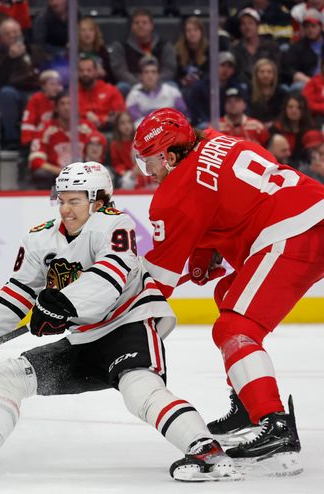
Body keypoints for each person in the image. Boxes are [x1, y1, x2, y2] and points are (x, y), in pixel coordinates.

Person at [0, 162, 239, 482]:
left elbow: (109, 277)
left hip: (127, 327)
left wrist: (62, 305)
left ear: (99, 201)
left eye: (75, 200)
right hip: (81, 341)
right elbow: (19, 291)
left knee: (139, 388)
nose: (65, 208)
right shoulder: (40, 238)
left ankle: (207, 451)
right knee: (6, 376)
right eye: (61, 199)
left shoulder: (116, 225)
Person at [133, 107, 324, 475]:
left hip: (292, 233)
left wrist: (110, 309)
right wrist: (206, 251)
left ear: (171, 157)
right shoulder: (214, 138)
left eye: (151, 163)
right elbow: (219, 195)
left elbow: (157, 285)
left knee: (234, 328)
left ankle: (275, 423)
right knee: (228, 291)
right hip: (310, 208)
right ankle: (247, 405)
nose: (149, 172)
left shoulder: (174, 194)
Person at [0, 17, 44, 149]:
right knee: (7, 94)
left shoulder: (33, 50)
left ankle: (44, 136)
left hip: (35, 87)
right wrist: (10, 58)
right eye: (8, 33)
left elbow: (45, 68)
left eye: (15, 32)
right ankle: (11, 138)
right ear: (1, 37)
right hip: (13, 89)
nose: (13, 36)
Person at [28, 91, 98, 187]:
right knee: (41, 174)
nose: (66, 107)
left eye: (70, 103)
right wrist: (63, 173)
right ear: (56, 108)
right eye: (62, 104)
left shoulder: (87, 128)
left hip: (84, 177)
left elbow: (98, 157)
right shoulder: (45, 128)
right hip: (56, 177)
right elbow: (36, 160)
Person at [109, 9, 176, 95]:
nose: (140, 25)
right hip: (132, 83)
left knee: (172, 86)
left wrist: (153, 82)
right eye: (136, 23)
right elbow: (120, 71)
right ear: (132, 26)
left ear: (151, 25)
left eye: (144, 23)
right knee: (121, 87)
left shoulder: (165, 45)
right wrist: (139, 84)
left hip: (159, 82)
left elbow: (169, 69)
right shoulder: (120, 46)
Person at [125, 57, 187, 126]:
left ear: (158, 75)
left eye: (153, 72)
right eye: (146, 72)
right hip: (147, 132)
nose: (150, 75)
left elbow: (183, 114)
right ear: (140, 76)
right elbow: (136, 120)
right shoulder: (133, 96)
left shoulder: (172, 92)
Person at [230, 8, 280, 87]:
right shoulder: (235, 48)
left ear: (257, 26)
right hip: (244, 86)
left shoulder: (271, 46)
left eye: (250, 23)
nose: (247, 27)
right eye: (243, 24)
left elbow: (276, 69)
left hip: (268, 84)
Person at [77, 55, 125, 131]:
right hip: (81, 131)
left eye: (89, 70)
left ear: (96, 72)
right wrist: (86, 115)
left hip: (108, 130)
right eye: (81, 70)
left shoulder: (111, 90)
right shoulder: (73, 93)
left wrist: (99, 119)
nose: (85, 73)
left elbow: (119, 114)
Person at [280, 8, 324, 91]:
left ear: (321, 26)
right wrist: (297, 75)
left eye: (313, 26)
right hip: (307, 82)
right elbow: (288, 68)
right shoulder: (297, 47)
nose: (310, 30)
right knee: (297, 87)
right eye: (306, 27)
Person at [269, 94, 317, 166]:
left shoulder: (310, 130)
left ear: (304, 110)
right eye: (290, 107)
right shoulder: (276, 129)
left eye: (299, 108)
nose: (294, 110)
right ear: (285, 109)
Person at [19, 69, 62, 147]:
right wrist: (29, 141)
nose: (56, 87)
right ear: (43, 86)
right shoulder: (36, 99)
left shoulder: (62, 99)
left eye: (58, 84)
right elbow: (28, 123)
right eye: (52, 84)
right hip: (38, 140)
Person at [249, 58, 287, 126]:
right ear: (256, 74)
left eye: (269, 72)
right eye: (262, 72)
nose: (266, 75)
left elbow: (283, 114)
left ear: (274, 75)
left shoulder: (281, 93)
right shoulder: (249, 92)